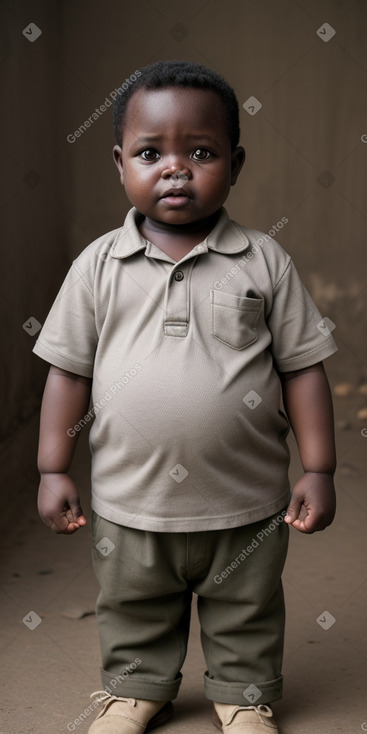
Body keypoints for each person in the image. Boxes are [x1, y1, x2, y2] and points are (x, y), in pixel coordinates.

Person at [33, 60, 337, 734]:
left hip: (245, 498)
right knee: (133, 601)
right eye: (150, 153)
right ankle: (138, 686)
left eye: (200, 152)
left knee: (246, 603)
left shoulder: (263, 261)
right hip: (128, 498)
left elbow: (303, 369)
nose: (175, 169)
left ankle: (242, 691)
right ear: (120, 164)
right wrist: (53, 468)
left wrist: (318, 468)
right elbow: (67, 372)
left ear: (234, 162)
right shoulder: (97, 265)